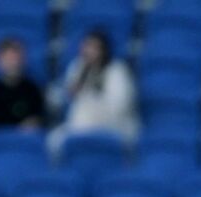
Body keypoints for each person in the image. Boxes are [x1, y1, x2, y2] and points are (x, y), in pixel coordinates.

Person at [46, 28, 138, 159]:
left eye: (94, 47)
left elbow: (120, 106)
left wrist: (94, 99)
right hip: (81, 124)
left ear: (103, 50)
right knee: (54, 138)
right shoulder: (77, 67)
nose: (89, 51)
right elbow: (67, 97)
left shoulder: (117, 70)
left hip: (113, 125)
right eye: (87, 46)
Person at [0, 38, 46, 133]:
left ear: (23, 60)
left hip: (24, 141)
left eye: (16, 59)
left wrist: (33, 123)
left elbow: (39, 119)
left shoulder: (33, 90)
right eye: (8, 59)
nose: (13, 63)